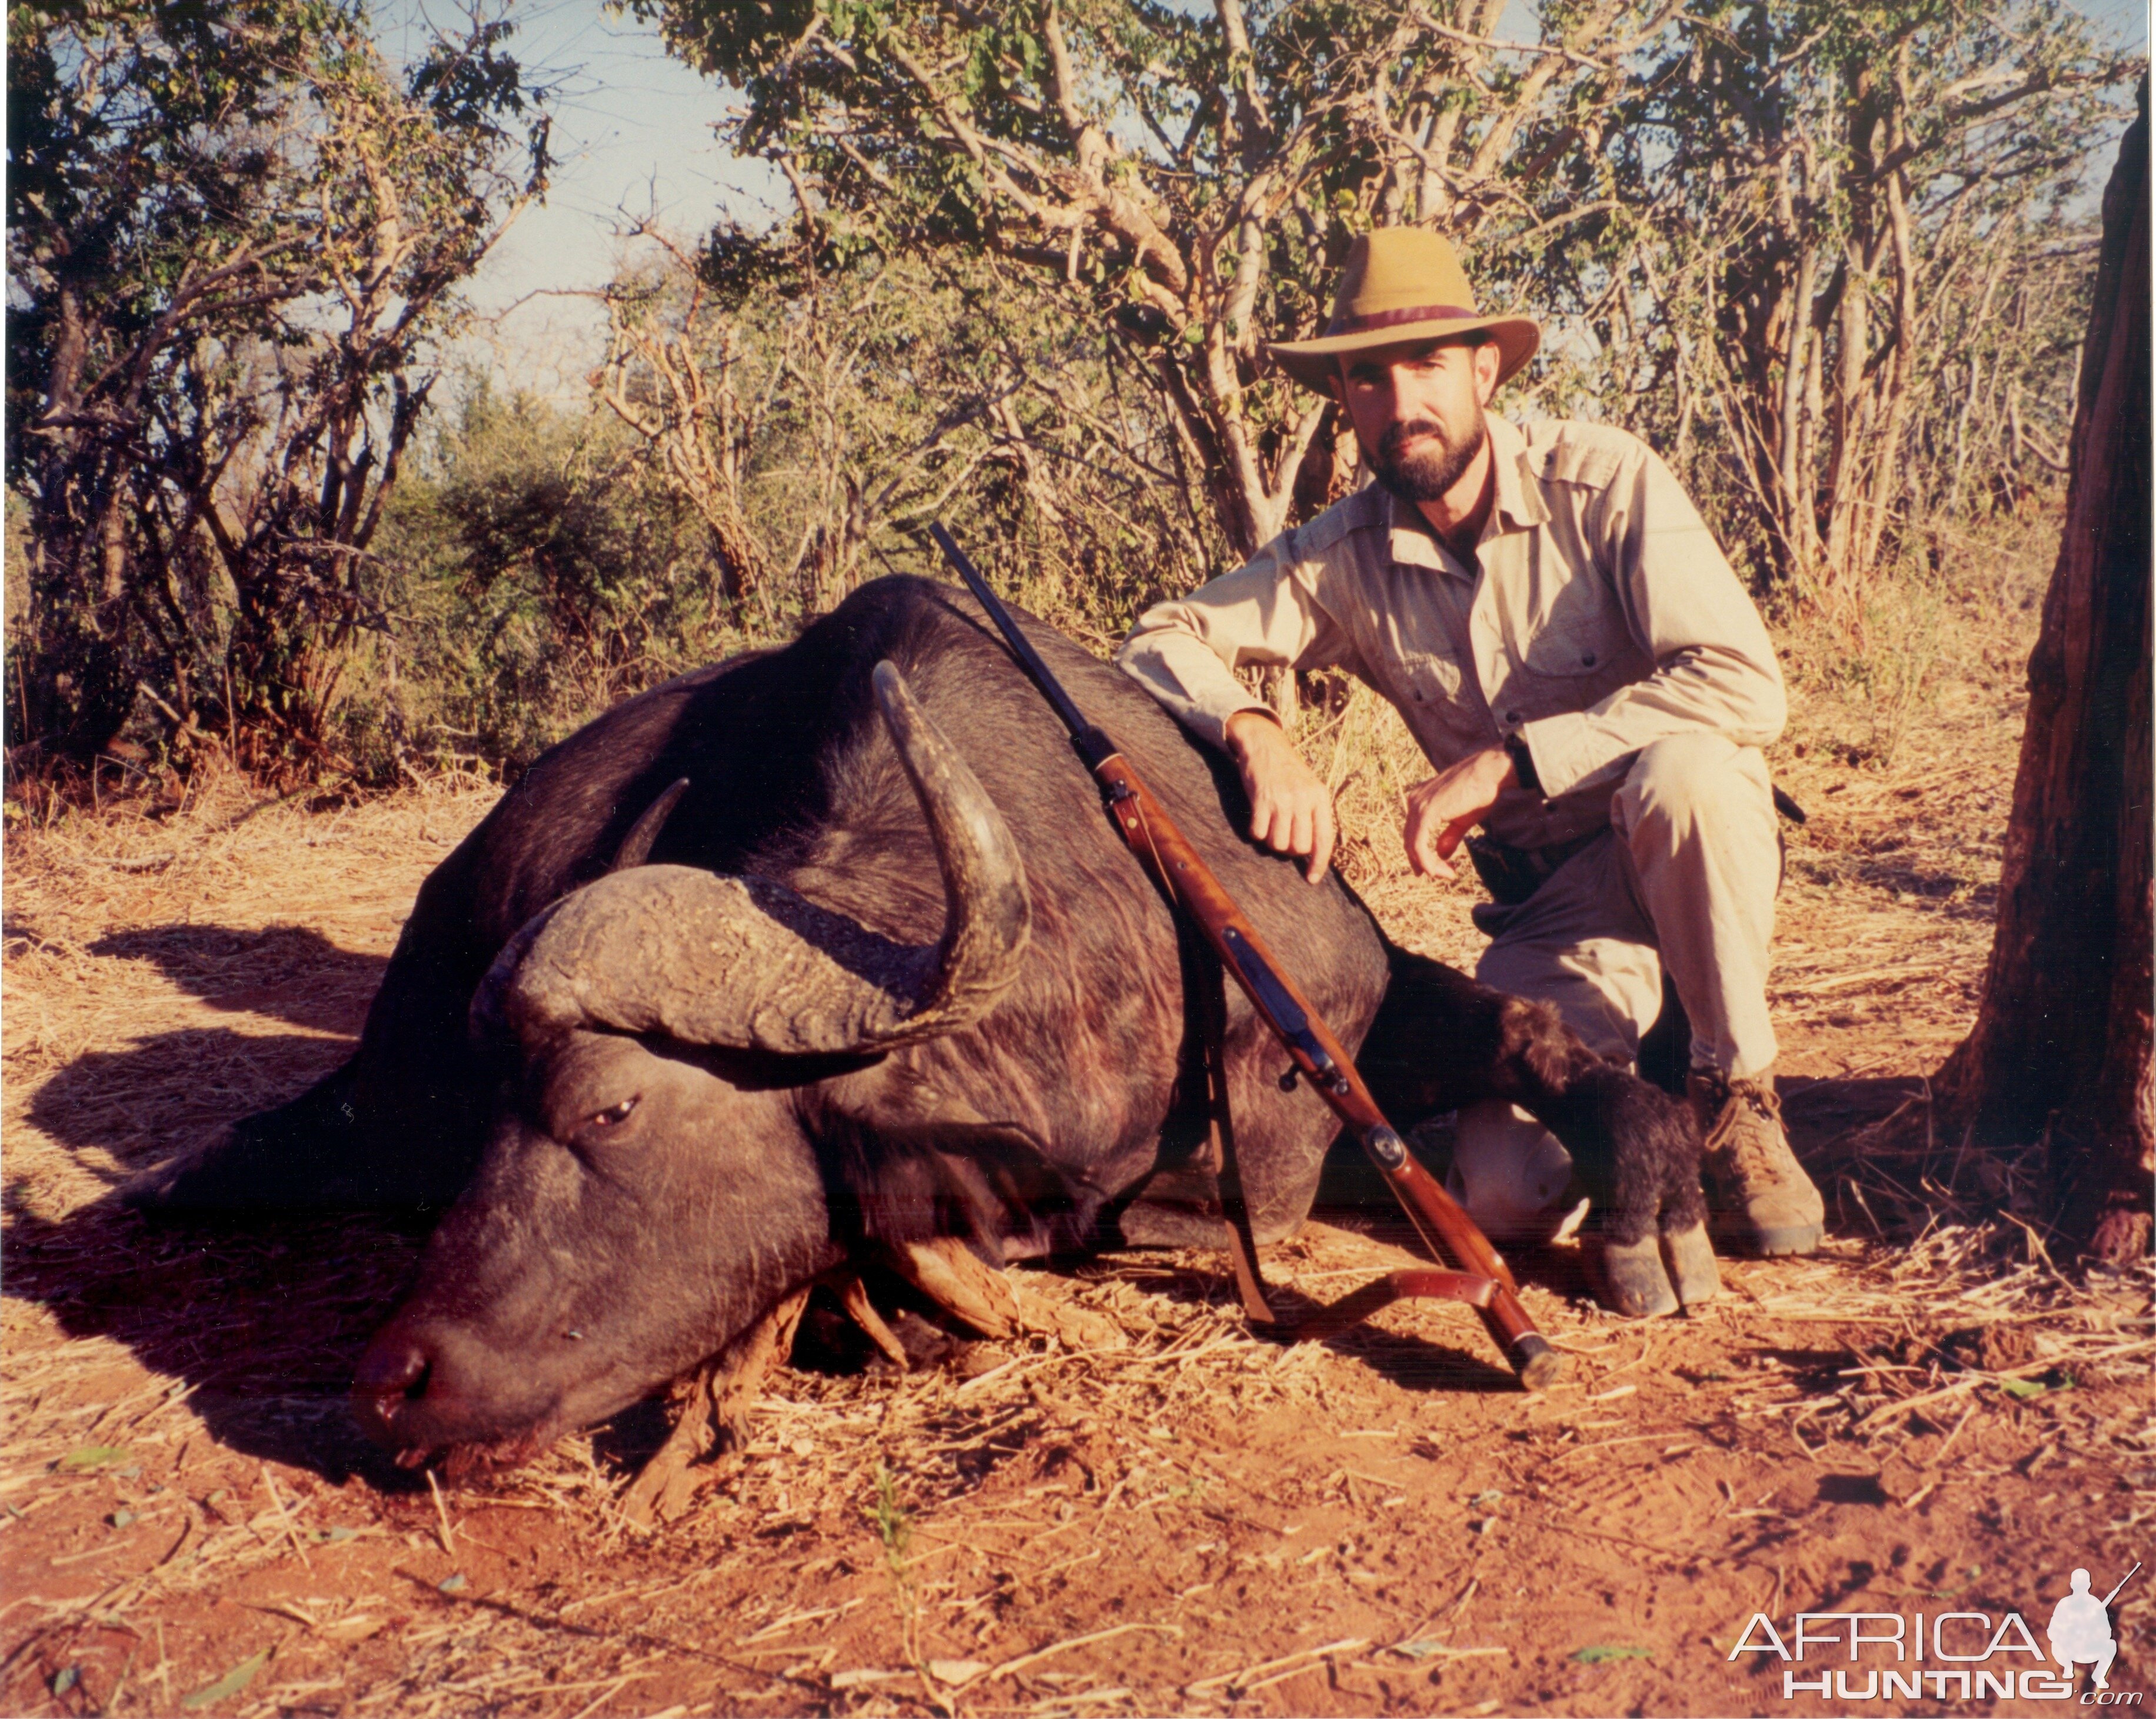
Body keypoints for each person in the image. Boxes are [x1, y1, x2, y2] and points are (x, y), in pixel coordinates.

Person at [1116, 227, 1824, 1256]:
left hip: (1681, 852)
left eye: (1426, 366)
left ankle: (1735, 1096)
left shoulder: (1604, 478)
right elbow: (1158, 635)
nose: (1399, 404)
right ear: (1343, 399)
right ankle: (1644, 1066)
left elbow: (1746, 687)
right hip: (1555, 903)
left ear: (1483, 368)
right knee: (1503, 1197)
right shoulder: (1344, 557)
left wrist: (1515, 759)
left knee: (1689, 775)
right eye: (1366, 378)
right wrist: (1252, 727)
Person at [2048, 1569, 2118, 1689]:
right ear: (2072, 1585)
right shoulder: (2064, 1604)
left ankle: (2099, 1676)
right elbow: (2052, 1632)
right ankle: (2068, 1668)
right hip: (2069, 1651)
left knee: (2111, 1645)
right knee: (2056, 1646)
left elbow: (2107, 1633)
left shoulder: (2095, 1605)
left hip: (2089, 1649)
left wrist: (2093, 1632)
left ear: (2088, 1586)